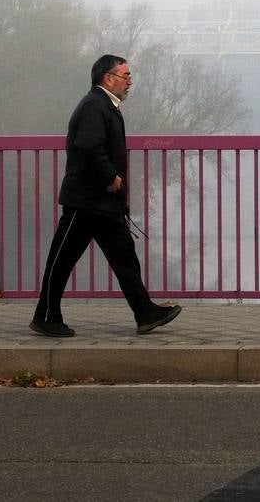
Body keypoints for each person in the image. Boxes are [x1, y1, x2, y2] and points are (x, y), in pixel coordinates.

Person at [30, 54, 181, 337]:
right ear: (108, 78)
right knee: (61, 259)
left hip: (102, 203)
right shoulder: (94, 106)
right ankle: (46, 316)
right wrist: (110, 177)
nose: (130, 81)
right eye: (126, 76)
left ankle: (145, 312)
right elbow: (88, 146)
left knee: (124, 256)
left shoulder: (104, 106)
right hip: (86, 201)